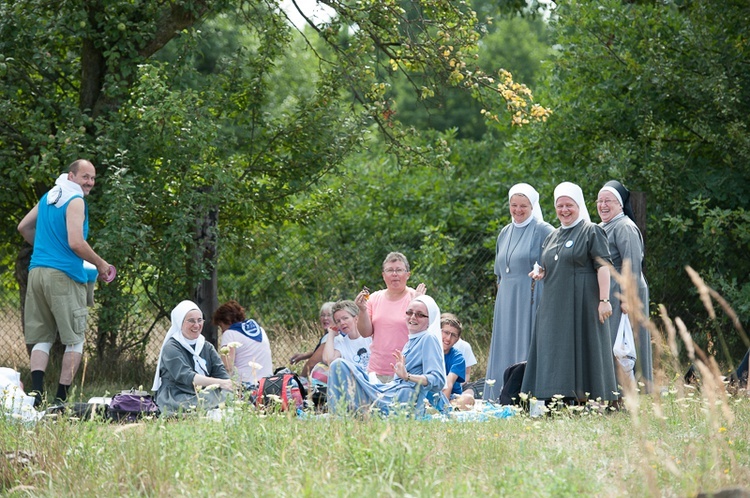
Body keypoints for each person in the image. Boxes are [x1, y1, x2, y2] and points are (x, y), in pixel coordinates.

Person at [17, 159, 111, 406]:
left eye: (92, 178)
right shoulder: (75, 199)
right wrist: (101, 264)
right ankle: (60, 400)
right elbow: (76, 243)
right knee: (75, 340)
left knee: (42, 338)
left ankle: (36, 396)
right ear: (71, 176)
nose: (89, 182)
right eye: (85, 177)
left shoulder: (50, 195)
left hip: (37, 272)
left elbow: (23, 227)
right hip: (63, 276)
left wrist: (44, 247)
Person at [521, 182, 618, 404]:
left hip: (582, 303)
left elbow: (603, 266)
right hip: (554, 304)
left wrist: (605, 300)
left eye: (569, 205)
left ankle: (590, 399)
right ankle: (556, 397)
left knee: (584, 346)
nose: (564, 210)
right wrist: (541, 272)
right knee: (556, 349)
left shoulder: (591, 230)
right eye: (560, 205)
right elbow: (552, 264)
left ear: (578, 205)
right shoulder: (552, 236)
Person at [484, 183, 553, 401]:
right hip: (506, 301)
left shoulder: (543, 230)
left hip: (530, 298)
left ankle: (524, 396)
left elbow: (554, 265)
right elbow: (500, 273)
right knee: (504, 344)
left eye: (523, 205)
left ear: (533, 205)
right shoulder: (505, 232)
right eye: (514, 205)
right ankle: (499, 395)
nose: (518, 210)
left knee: (526, 343)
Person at [327, 295, 445, 417]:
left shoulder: (428, 338)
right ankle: (342, 414)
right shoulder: (412, 341)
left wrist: (407, 376)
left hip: (399, 401)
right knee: (346, 368)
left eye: (420, 314)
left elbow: (437, 380)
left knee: (339, 365)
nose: (413, 317)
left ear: (429, 319)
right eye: (409, 312)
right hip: (390, 392)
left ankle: (339, 415)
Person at [596, 180, 653, 391]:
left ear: (620, 204)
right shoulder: (603, 227)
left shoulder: (625, 227)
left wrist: (628, 300)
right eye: (599, 201)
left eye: (608, 201)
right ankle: (612, 388)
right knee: (612, 342)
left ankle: (628, 389)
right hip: (609, 292)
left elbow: (632, 266)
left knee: (624, 343)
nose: (603, 205)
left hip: (622, 294)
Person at [152, 300, 233, 416]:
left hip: (203, 392)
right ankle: (212, 412)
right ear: (180, 322)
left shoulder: (206, 346)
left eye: (200, 320)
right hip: (177, 393)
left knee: (230, 395)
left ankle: (216, 410)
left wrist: (228, 384)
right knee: (204, 401)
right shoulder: (171, 347)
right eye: (191, 321)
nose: (196, 325)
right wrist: (220, 383)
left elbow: (221, 374)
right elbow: (187, 376)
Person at [355, 252, 426, 383]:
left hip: (407, 370)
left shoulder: (416, 297)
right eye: (390, 270)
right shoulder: (374, 298)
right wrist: (362, 310)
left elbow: (423, 334)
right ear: (383, 276)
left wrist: (417, 304)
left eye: (399, 270)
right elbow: (365, 333)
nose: (394, 274)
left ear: (408, 275)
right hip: (377, 370)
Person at [212, 300, 273, 385]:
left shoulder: (230, 334)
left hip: (245, 387)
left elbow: (227, 368)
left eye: (221, 326)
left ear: (227, 320)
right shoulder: (260, 330)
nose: (222, 331)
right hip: (267, 384)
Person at [289, 302, 336, 378]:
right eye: (322, 315)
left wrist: (300, 380)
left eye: (329, 315)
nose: (325, 318)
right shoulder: (337, 334)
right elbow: (321, 353)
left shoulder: (330, 337)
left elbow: (312, 363)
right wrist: (304, 355)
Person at [322, 300, 372, 369]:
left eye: (345, 318)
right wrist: (331, 334)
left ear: (356, 318)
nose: (342, 323)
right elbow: (328, 360)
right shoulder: (341, 342)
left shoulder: (370, 336)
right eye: (338, 321)